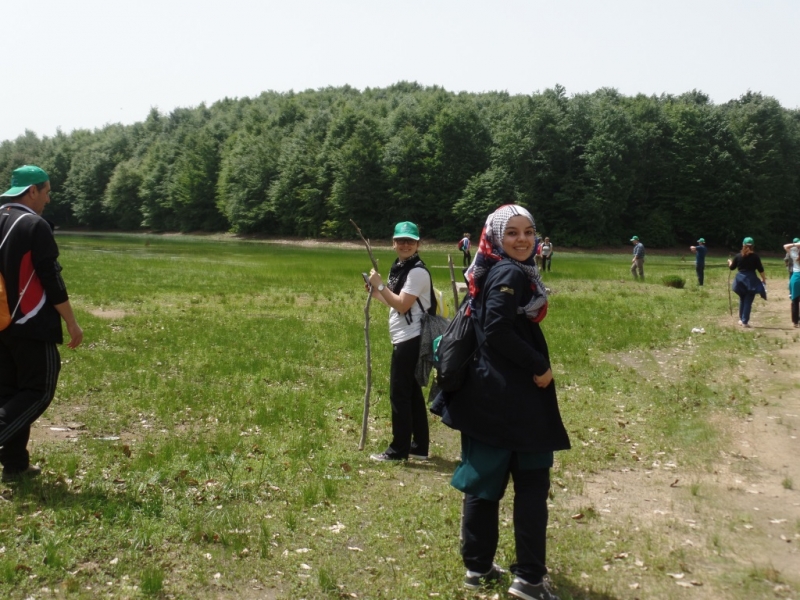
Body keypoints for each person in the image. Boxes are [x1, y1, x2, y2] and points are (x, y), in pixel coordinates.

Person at [433, 204, 570, 600]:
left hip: (488, 396)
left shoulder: (493, 269)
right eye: (512, 233)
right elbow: (496, 329)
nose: (523, 240)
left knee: (483, 482)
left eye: (529, 232)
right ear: (495, 237)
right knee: (530, 484)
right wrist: (538, 364)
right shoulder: (509, 271)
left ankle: (477, 567)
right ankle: (528, 579)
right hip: (513, 397)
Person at [0, 165, 83, 482]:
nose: (48, 199)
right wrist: (72, 323)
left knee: (9, 393)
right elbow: (51, 278)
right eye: (46, 192)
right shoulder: (34, 225)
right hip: (31, 325)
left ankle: (15, 464)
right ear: (31, 191)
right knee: (38, 390)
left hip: (1, 325)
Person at [366, 221, 432, 462]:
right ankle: (419, 447)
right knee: (412, 393)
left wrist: (381, 285)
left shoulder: (416, 272)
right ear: (393, 243)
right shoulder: (402, 267)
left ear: (418, 244)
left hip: (411, 340)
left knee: (400, 395)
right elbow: (395, 303)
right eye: (401, 240)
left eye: (410, 241)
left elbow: (403, 305)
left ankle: (398, 450)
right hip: (405, 337)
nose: (405, 245)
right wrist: (376, 292)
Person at [728, 237, 766, 328]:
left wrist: (729, 262)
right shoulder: (755, 257)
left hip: (740, 280)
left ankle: (741, 319)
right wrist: (764, 279)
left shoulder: (738, 256)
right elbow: (760, 269)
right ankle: (745, 321)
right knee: (748, 300)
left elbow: (732, 268)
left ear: (743, 245)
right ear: (753, 246)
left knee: (742, 298)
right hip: (751, 280)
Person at [783, 238, 800, 327]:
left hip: (796, 276)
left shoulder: (794, 254)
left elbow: (785, 246)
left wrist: (795, 244)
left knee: (795, 300)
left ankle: (795, 321)